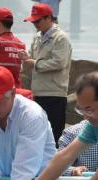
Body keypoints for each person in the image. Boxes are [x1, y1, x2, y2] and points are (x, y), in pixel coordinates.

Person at [20, 3, 72, 143]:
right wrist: (26, 58)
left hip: (55, 93)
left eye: (37, 21)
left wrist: (34, 63)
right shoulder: (37, 37)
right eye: (33, 21)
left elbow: (59, 63)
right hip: (38, 92)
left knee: (54, 136)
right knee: (38, 135)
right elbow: (31, 58)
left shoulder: (61, 38)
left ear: (49, 18)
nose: (35, 24)